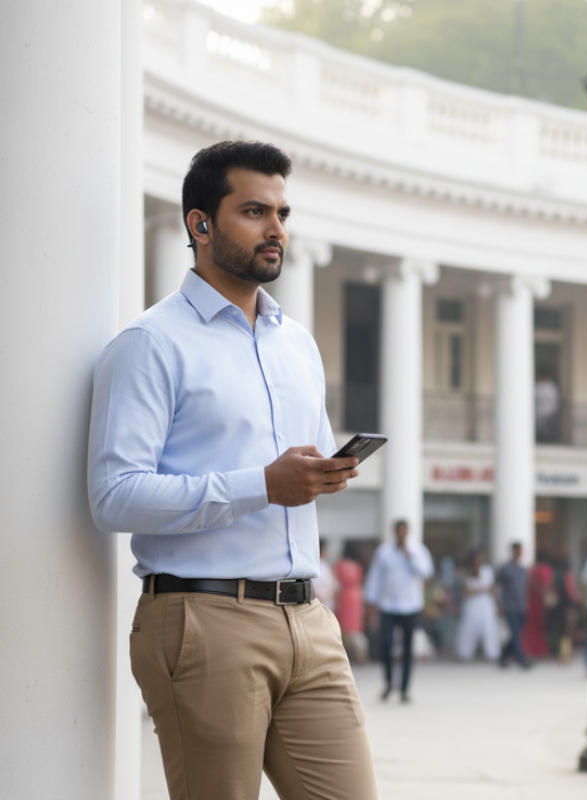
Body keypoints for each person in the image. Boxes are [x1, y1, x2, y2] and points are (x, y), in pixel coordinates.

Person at [87, 141, 378, 800]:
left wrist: (324, 473)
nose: (276, 229)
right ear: (200, 224)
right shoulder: (149, 346)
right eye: (253, 211)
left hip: (309, 619)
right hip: (203, 618)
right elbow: (114, 496)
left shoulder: (297, 343)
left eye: (281, 212)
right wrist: (262, 486)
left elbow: (306, 459)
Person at [363, 520, 434, 703]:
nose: (401, 534)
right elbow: (374, 578)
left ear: (408, 532)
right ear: (394, 532)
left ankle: (404, 688)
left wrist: (408, 555)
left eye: (404, 531)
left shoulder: (418, 550)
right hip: (388, 605)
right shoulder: (384, 552)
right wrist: (371, 603)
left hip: (411, 606)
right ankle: (388, 683)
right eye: (398, 531)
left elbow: (426, 572)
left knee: (408, 648)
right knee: (386, 644)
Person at [456, 548, 501, 661]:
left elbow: (492, 588)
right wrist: (483, 589)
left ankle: (492, 653)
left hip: (486, 604)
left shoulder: (488, 570)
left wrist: (497, 603)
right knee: (469, 628)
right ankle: (465, 652)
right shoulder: (468, 571)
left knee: (489, 628)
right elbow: (466, 592)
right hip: (472, 605)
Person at [496, 542, 531, 668]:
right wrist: (499, 605)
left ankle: (504, 656)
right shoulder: (504, 569)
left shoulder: (523, 570)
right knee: (515, 632)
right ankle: (521, 659)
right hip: (509, 606)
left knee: (516, 634)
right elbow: (497, 588)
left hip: (521, 606)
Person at [335, 542, 368, 662]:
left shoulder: (340, 565)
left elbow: (336, 582)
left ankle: (345, 653)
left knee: (343, 627)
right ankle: (359, 654)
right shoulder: (358, 566)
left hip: (344, 597)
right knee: (354, 627)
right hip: (355, 597)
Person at [522, 553, 553, 659]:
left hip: (531, 601)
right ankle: (539, 650)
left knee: (531, 627)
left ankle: (529, 649)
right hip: (539, 602)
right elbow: (546, 585)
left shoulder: (531, 571)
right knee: (540, 626)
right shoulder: (545, 570)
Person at [535, 370, 561, 442]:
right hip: (539, 412)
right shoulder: (538, 386)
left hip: (549, 412)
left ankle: (548, 440)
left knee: (548, 428)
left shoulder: (551, 387)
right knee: (539, 428)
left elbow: (555, 399)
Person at [313, 538, 339, 610]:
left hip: (328, 601)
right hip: (318, 601)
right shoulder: (314, 565)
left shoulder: (325, 564)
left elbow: (332, 583)